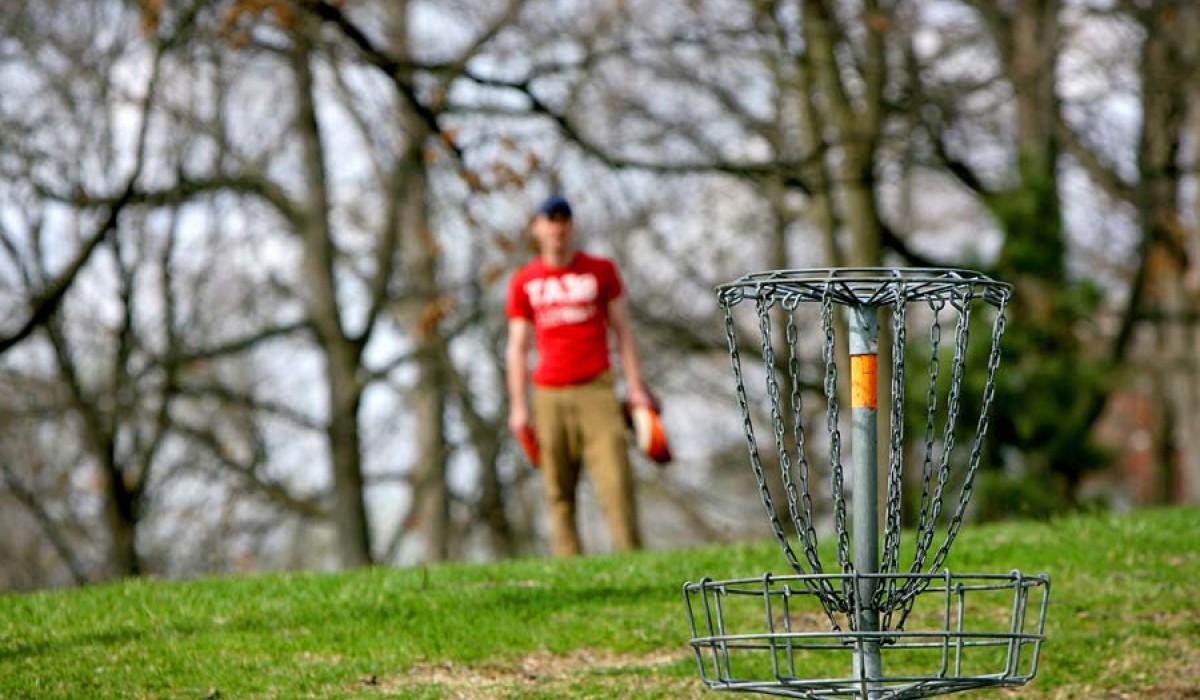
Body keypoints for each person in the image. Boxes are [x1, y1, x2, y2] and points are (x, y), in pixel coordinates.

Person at [505, 194, 652, 556]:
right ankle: (569, 564)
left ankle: (630, 556)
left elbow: (623, 331)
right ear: (536, 227)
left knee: (615, 480)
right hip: (548, 393)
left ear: (572, 226)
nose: (558, 227)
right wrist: (518, 408)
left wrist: (635, 389)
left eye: (564, 219)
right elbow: (518, 347)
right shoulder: (525, 281)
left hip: (597, 389)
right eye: (550, 219)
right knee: (557, 487)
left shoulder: (600, 271)